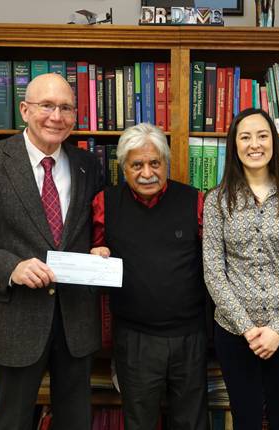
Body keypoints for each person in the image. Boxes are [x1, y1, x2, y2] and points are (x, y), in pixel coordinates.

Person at [0, 73, 102, 430]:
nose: (55, 117)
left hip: (75, 319)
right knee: (11, 421)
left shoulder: (87, 165)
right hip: (14, 319)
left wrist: (101, 248)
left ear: (75, 116)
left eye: (65, 108)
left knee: (76, 420)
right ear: (24, 109)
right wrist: (10, 267)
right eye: (46, 106)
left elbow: (94, 227)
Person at [90, 122, 208, 430]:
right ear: (123, 168)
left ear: (165, 163)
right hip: (134, 338)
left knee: (192, 421)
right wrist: (96, 253)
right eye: (137, 165)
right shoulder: (105, 203)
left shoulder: (195, 200)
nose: (147, 173)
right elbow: (94, 249)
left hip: (190, 336)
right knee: (139, 421)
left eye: (155, 163)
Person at [203, 108, 279, 430]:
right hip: (235, 333)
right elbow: (213, 269)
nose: (255, 144)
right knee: (245, 419)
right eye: (245, 136)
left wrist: (277, 329)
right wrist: (247, 328)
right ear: (234, 145)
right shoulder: (217, 201)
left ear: (274, 143)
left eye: (262, 136)